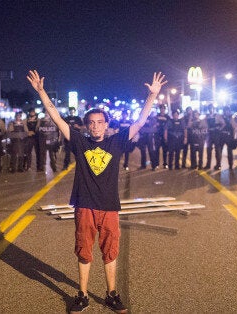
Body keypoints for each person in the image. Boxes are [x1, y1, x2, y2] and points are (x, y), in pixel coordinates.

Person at [28, 69, 166, 313]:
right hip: (84, 204)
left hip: (109, 205)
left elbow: (140, 122)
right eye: (91, 123)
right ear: (86, 125)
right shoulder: (79, 142)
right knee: (83, 250)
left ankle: (111, 294)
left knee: (110, 251)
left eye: (100, 122)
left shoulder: (117, 141)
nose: (95, 126)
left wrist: (152, 97)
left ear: (107, 124)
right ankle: (81, 294)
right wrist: (41, 92)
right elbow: (57, 118)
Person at [204, 105, 224, 170]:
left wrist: (219, 129)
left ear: (213, 109)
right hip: (209, 134)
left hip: (216, 134)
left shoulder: (217, 116)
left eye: (211, 108)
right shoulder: (207, 116)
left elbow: (223, 124)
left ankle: (218, 164)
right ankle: (208, 165)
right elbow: (205, 125)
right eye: (209, 108)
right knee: (208, 150)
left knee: (217, 150)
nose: (210, 110)